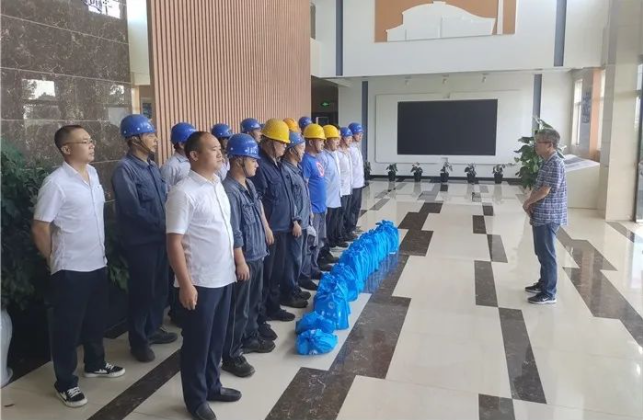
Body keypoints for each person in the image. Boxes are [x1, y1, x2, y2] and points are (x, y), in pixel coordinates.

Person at [32, 125, 125, 408]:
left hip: (97, 262)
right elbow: (40, 226)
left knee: (96, 319)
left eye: (90, 140)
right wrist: (51, 259)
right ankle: (66, 383)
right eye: (84, 141)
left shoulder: (93, 174)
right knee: (67, 328)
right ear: (66, 149)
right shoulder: (56, 183)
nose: (91, 144)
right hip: (70, 268)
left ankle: (95, 363)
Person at [166, 131, 241, 420]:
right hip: (200, 280)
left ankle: (212, 385)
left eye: (220, 148)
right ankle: (195, 399)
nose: (220, 153)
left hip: (223, 275)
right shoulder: (183, 192)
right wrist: (185, 284)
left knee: (216, 339)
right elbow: (173, 242)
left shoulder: (217, 184)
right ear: (194, 155)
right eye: (213, 149)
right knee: (197, 343)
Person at [112, 114, 177, 364]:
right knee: (142, 291)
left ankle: (153, 329)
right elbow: (132, 209)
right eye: (150, 135)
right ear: (134, 139)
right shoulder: (124, 170)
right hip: (141, 243)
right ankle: (138, 341)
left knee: (160, 288)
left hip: (160, 239)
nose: (155, 139)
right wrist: (163, 226)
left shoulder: (152, 167)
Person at [222, 134, 275, 379]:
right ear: (238, 160)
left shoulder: (249, 185)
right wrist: (240, 261)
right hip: (244, 258)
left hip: (257, 253)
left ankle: (249, 337)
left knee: (254, 302)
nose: (257, 164)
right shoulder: (229, 191)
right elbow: (233, 230)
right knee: (239, 309)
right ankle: (231, 354)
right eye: (253, 160)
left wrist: (266, 228)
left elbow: (258, 208)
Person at [251, 119, 304, 325]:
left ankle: (273, 308)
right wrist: (265, 228)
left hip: (283, 228)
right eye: (282, 143)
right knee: (266, 275)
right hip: (270, 231)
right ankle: (261, 317)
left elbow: (287, 196)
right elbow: (257, 200)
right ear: (270, 142)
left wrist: (294, 220)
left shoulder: (277, 164)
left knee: (277, 273)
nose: (285, 146)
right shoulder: (260, 166)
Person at [522, 128, 567, 305]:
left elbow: (545, 190)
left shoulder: (555, 163)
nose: (535, 146)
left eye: (539, 142)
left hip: (549, 215)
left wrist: (528, 202)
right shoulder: (546, 161)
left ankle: (549, 292)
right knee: (541, 251)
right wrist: (532, 203)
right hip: (542, 213)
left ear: (550, 144)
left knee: (547, 254)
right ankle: (543, 283)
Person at [281, 130, 318, 293]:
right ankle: (290, 290)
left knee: (301, 255)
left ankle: (296, 285)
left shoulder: (297, 169)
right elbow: (289, 199)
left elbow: (304, 193)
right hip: (296, 223)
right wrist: (295, 220)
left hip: (304, 219)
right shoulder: (286, 171)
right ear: (291, 150)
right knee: (293, 258)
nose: (303, 151)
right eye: (301, 148)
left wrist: (309, 211)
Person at [302, 124, 332, 281]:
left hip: (321, 207)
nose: (323, 143)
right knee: (310, 243)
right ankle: (306, 273)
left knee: (319, 240)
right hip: (313, 210)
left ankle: (314, 267)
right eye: (320, 140)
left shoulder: (316, 160)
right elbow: (304, 187)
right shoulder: (306, 161)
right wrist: (309, 210)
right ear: (311, 142)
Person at [320, 125, 348, 253]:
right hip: (326, 200)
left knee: (331, 225)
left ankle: (330, 245)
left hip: (334, 198)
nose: (338, 141)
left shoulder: (332, 154)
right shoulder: (322, 157)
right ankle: (323, 251)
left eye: (338, 138)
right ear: (326, 140)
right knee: (324, 229)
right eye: (334, 139)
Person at [160, 122, 197, 187]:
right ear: (181, 145)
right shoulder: (170, 166)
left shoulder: (196, 160)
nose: (197, 145)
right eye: (193, 142)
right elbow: (165, 191)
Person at [337, 127, 357, 242]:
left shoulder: (348, 152)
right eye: (348, 138)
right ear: (342, 139)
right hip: (341, 189)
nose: (350, 140)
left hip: (348, 188)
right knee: (341, 213)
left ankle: (345, 232)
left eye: (351, 138)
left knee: (347, 212)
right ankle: (339, 235)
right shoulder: (338, 153)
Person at [347, 122, 366, 235]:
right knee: (352, 208)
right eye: (358, 134)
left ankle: (353, 226)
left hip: (359, 183)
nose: (361, 136)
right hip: (353, 185)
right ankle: (349, 229)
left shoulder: (356, 147)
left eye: (361, 134)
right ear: (352, 134)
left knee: (357, 207)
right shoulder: (349, 149)